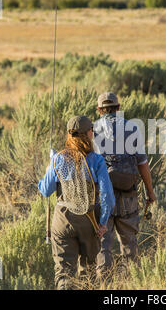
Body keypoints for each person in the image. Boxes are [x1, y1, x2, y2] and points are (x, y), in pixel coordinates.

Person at [38, 115, 115, 290]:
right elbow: (107, 197)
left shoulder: (58, 159)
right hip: (90, 221)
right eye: (91, 131)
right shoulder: (97, 160)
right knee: (87, 272)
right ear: (88, 134)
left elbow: (45, 190)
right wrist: (102, 223)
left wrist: (49, 167)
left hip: (63, 220)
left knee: (64, 272)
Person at [93, 92, 156, 277]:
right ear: (119, 108)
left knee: (103, 244)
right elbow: (143, 165)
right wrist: (150, 193)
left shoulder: (92, 130)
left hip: (102, 197)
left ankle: (104, 285)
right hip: (128, 195)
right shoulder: (133, 128)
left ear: (99, 110)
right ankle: (132, 282)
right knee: (129, 244)